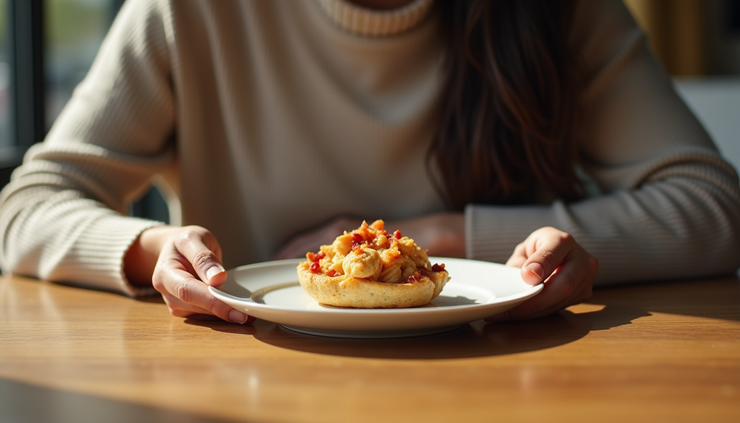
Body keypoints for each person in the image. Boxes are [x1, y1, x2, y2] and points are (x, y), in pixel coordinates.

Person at [1, 0, 739, 325]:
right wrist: (153, 249)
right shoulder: (190, 10)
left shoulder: (563, 10)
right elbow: (29, 204)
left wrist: (444, 239)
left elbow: (713, 205)